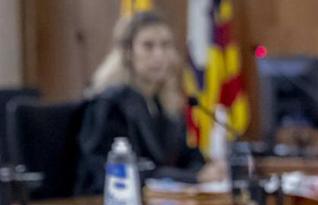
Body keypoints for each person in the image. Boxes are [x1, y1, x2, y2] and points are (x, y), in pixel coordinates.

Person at [76, 10, 224, 195]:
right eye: (148, 46)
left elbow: (185, 156)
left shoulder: (165, 103)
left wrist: (207, 169)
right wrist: (193, 178)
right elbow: (118, 172)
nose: (159, 55)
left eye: (166, 45)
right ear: (127, 52)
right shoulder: (110, 105)